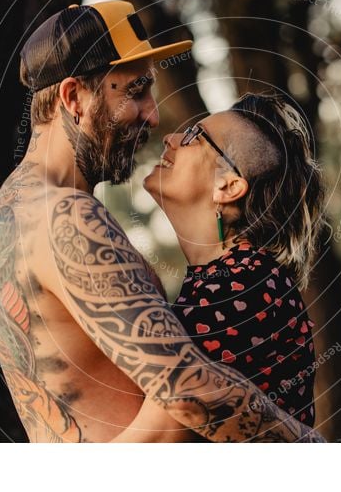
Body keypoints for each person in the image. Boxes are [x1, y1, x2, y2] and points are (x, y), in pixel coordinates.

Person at [0, 1, 324, 443]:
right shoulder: (68, 216)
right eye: (137, 91)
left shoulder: (16, 206)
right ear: (73, 98)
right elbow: (185, 392)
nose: (154, 115)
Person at [112, 93, 325, 442]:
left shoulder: (242, 286)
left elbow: (156, 438)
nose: (171, 138)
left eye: (195, 136)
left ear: (228, 186)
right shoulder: (230, 278)